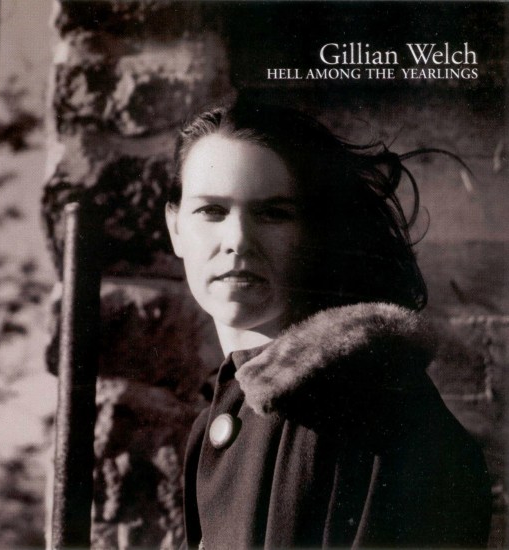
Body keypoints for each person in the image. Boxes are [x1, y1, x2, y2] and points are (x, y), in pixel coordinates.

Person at [165, 99, 492, 549]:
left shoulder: (376, 414)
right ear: (175, 227)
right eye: (211, 211)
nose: (237, 239)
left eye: (274, 213)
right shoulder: (210, 430)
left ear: (316, 232)